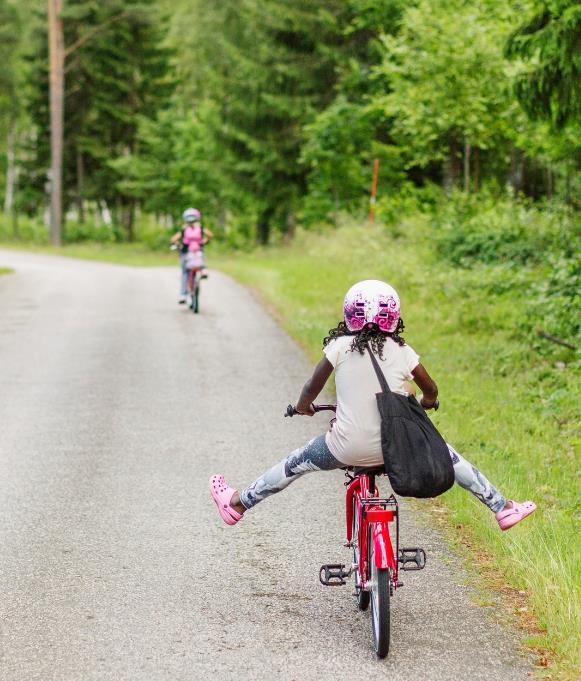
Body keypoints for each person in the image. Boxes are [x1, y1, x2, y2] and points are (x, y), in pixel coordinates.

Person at [210, 279, 536, 530]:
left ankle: (238, 504)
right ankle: (502, 507)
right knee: (448, 456)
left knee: (295, 462)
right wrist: (427, 401)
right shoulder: (402, 351)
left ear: (349, 313)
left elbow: (312, 386)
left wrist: (303, 405)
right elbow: (431, 388)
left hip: (344, 449)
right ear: (394, 314)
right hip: (400, 448)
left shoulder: (339, 346)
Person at [171, 208, 213, 303]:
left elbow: (173, 239)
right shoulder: (200, 228)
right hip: (198, 252)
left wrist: (178, 245)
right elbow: (210, 235)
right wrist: (204, 242)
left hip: (186, 252)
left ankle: (183, 295)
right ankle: (204, 270)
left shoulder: (184, 229)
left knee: (185, 273)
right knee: (201, 257)